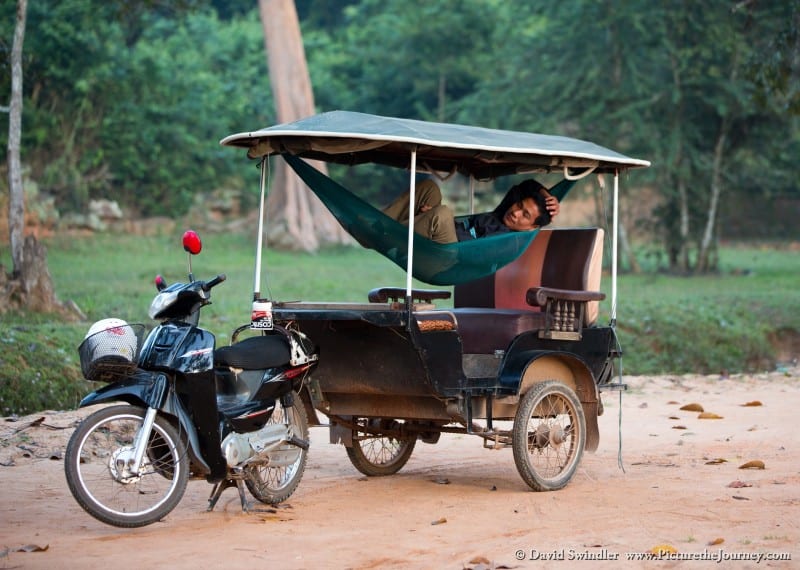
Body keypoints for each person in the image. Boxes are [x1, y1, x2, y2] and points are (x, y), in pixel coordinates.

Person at [382, 178, 560, 244]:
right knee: (429, 188)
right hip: (447, 231)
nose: (515, 212)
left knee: (442, 213)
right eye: (519, 205)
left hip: (451, 253)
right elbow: (527, 185)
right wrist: (547, 195)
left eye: (525, 215)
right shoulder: (503, 213)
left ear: (532, 227)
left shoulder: (508, 241)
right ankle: (379, 225)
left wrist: (439, 219)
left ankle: (384, 234)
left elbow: (469, 244)